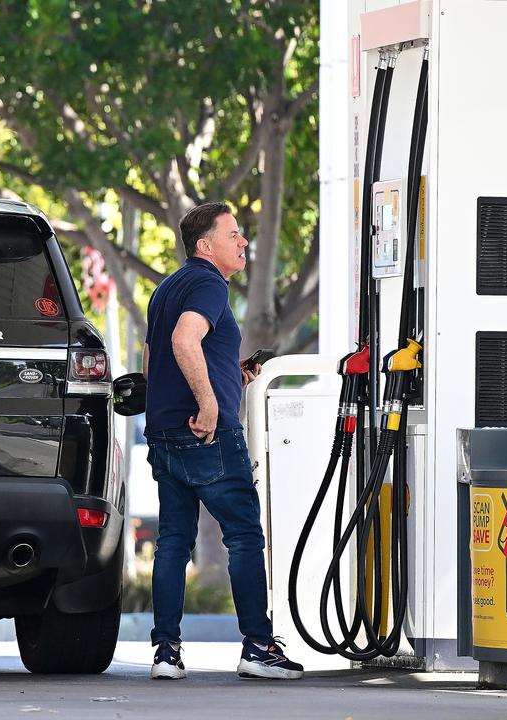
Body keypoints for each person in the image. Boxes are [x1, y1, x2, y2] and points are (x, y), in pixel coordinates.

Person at [142, 202, 304, 681]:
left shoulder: (167, 287)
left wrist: (231, 377)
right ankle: (257, 646)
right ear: (204, 245)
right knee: (245, 536)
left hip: (165, 431)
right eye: (233, 234)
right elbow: (183, 341)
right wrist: (211, 404)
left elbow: (157, 364)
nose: (244, 241)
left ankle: (166, 655)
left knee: (173, 541)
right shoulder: (210, 284)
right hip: (206, 433)